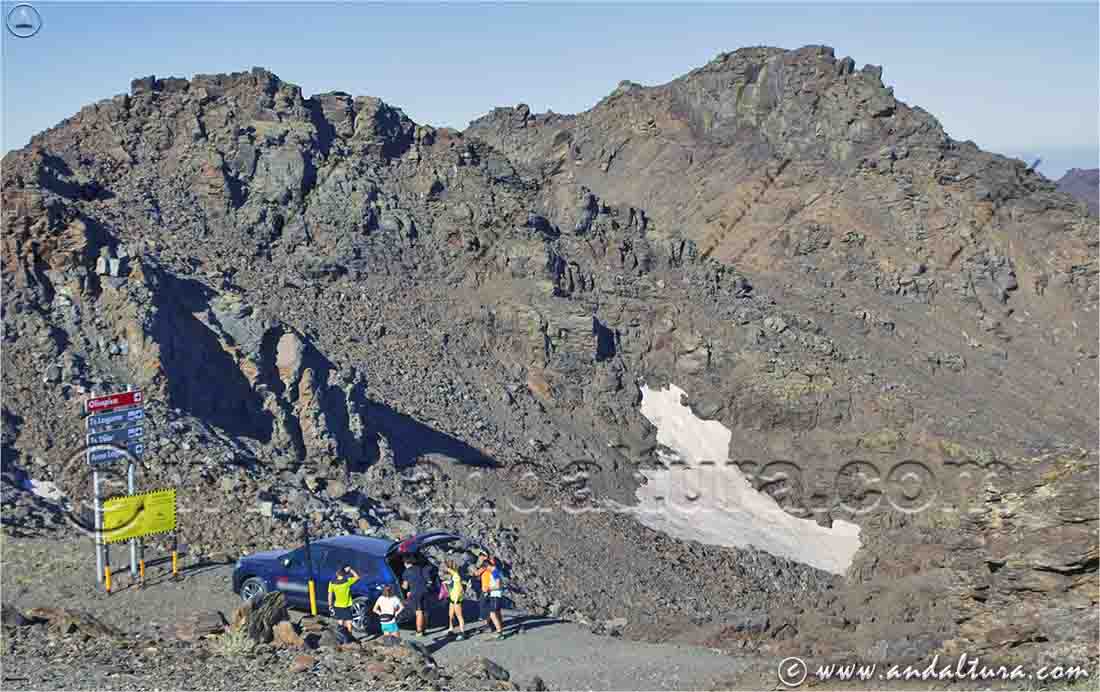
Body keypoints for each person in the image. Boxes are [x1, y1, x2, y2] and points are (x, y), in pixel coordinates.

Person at [476, 553, 504, 638]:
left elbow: (498, 585)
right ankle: (499, 630)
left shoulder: (495, 572)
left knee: (492, 614)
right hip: (495, 594)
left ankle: (499, 632)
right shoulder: (495, 571)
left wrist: (489, 588)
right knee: (496, 612)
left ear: (488, 566)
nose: (486, 570)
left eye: (486, 568)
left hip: (495, 594)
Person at [401, 556, 430, 636]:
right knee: (424, 611)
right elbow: (427, 579)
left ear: (406, 563)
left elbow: (405, 586)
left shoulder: (406, 572)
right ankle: (424, 629)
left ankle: (419, 631)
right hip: (425, 591)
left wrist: (402, 586)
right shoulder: (420, 568)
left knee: (419, 612)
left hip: (416, 593)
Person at [327, 565, 360, 635]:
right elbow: (357, 577)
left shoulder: (332, 583)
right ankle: (349, 636)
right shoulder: (347, 581)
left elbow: (330, 595)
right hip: (346, 605)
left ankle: (341, 636)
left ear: (337, 573)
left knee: (340, 621)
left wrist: (330, 605)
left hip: (337, 605)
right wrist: (350, 570)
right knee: (349, 622)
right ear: (344, 573)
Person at [443, 559, 466, 639]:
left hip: (456, 599)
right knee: (451, 615)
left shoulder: (456, 576)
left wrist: (447, 568)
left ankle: (462, 632)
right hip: (452, 598)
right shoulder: (454, 577)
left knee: (459, 616)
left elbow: (459, 589)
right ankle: (451, 629)